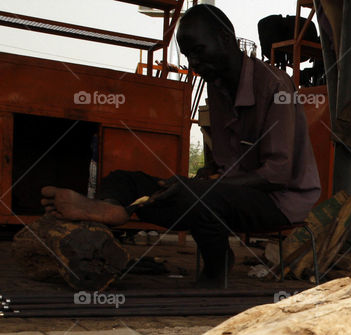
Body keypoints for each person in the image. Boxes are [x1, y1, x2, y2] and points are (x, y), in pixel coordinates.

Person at [41, 4, 323, 286]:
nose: (193, 63)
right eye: (189, 56)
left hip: (279, 201)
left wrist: (205, 186)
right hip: (227, 194)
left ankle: (218, 264)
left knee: (199, 197)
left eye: (198, 51)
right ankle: (113, 207)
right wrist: (206, 175)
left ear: (226, 39)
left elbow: (277, 174)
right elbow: (225, 160)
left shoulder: (275, 87)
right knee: (127, 181)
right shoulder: (217, 83)